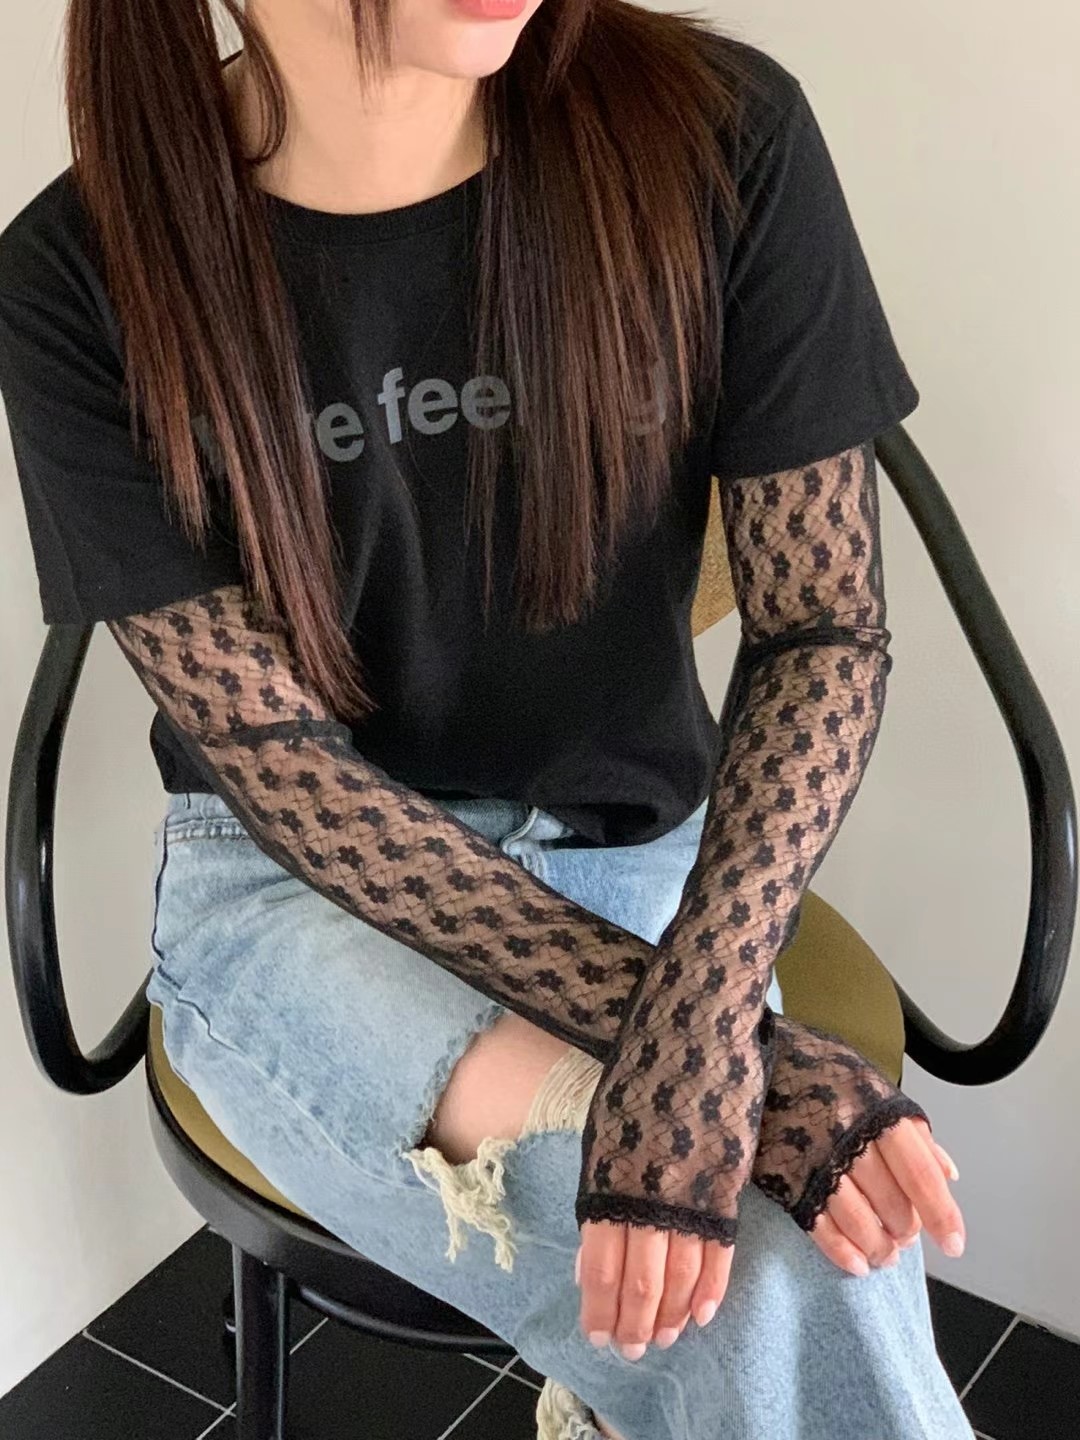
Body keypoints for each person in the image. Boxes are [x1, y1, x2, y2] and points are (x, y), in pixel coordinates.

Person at [0, 1, 975, 1435]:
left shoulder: (719, 137)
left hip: (641, 849)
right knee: (761, 1282)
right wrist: (735, 1057)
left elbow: (822, 623)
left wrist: (704, 1018)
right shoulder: (81, 272)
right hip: (295, 894)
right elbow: (286, 773)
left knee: (791, 1260)